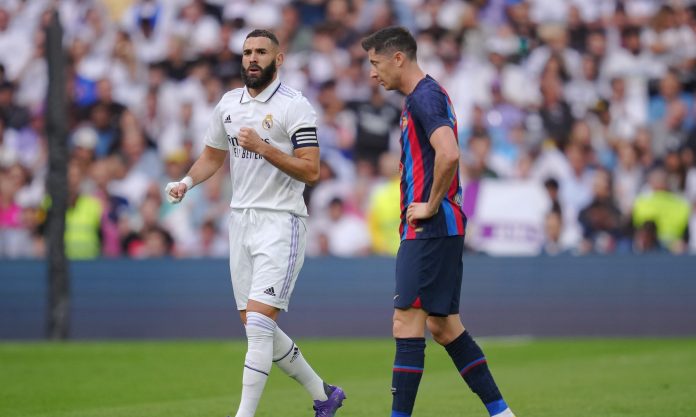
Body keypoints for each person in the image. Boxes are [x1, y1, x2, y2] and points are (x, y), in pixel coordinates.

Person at [164, 29, 345, 417]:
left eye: (261, 52)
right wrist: (186, 182)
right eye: (247, 52)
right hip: (240, 222)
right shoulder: (228, 104)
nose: (252, 58)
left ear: (278, 59)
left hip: (281, 222)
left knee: (260, 325)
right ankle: (323, 394)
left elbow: (311, 170)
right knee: (255, 325)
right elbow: (213, 156)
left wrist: (263, 147)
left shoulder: (295, 106)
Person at [362, 27, 515, 417]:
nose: (372, 74)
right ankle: (501, 412)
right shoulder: (427, 94)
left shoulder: (424, 97)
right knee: (444, 327)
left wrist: (430, 205)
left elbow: (448, 153)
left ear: (399, 58)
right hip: (442, 227)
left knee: (406, 320)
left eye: (375, 63)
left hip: (430, 227)